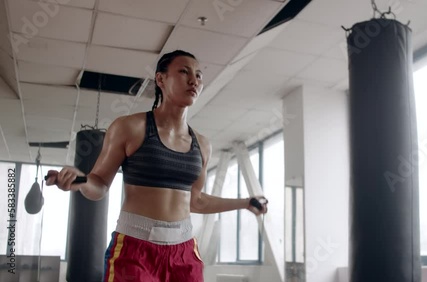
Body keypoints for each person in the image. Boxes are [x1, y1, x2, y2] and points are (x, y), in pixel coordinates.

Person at [46, 50, 268, 282]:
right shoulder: (129, 127)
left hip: (184, 252)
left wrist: (245, 203)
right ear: (160, 79)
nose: (194, 80)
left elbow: (196, 200)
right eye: (184, 71)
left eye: (199, 75)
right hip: (135, 250)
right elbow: (99, 184)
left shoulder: (202, 144)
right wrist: (80, 180)